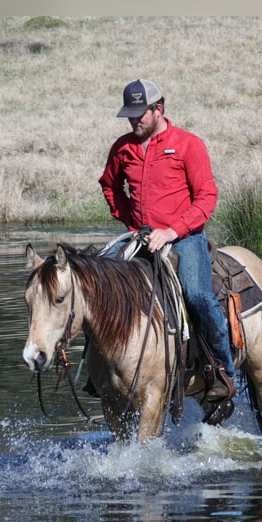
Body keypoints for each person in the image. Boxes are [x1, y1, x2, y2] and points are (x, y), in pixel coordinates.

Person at [97, 78, 235, 402]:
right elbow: (109, 185)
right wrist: (130, 221)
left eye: (140, 114)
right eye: (130, 115)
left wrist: (172, 231)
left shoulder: (188, 144)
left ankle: (222, 369)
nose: (134, 120)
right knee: (99, 283)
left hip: (183, 237)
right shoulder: (123, 148)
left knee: (198, 294)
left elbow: (206, 197)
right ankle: (100, 371)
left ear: (158, 109)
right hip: (140, 236)